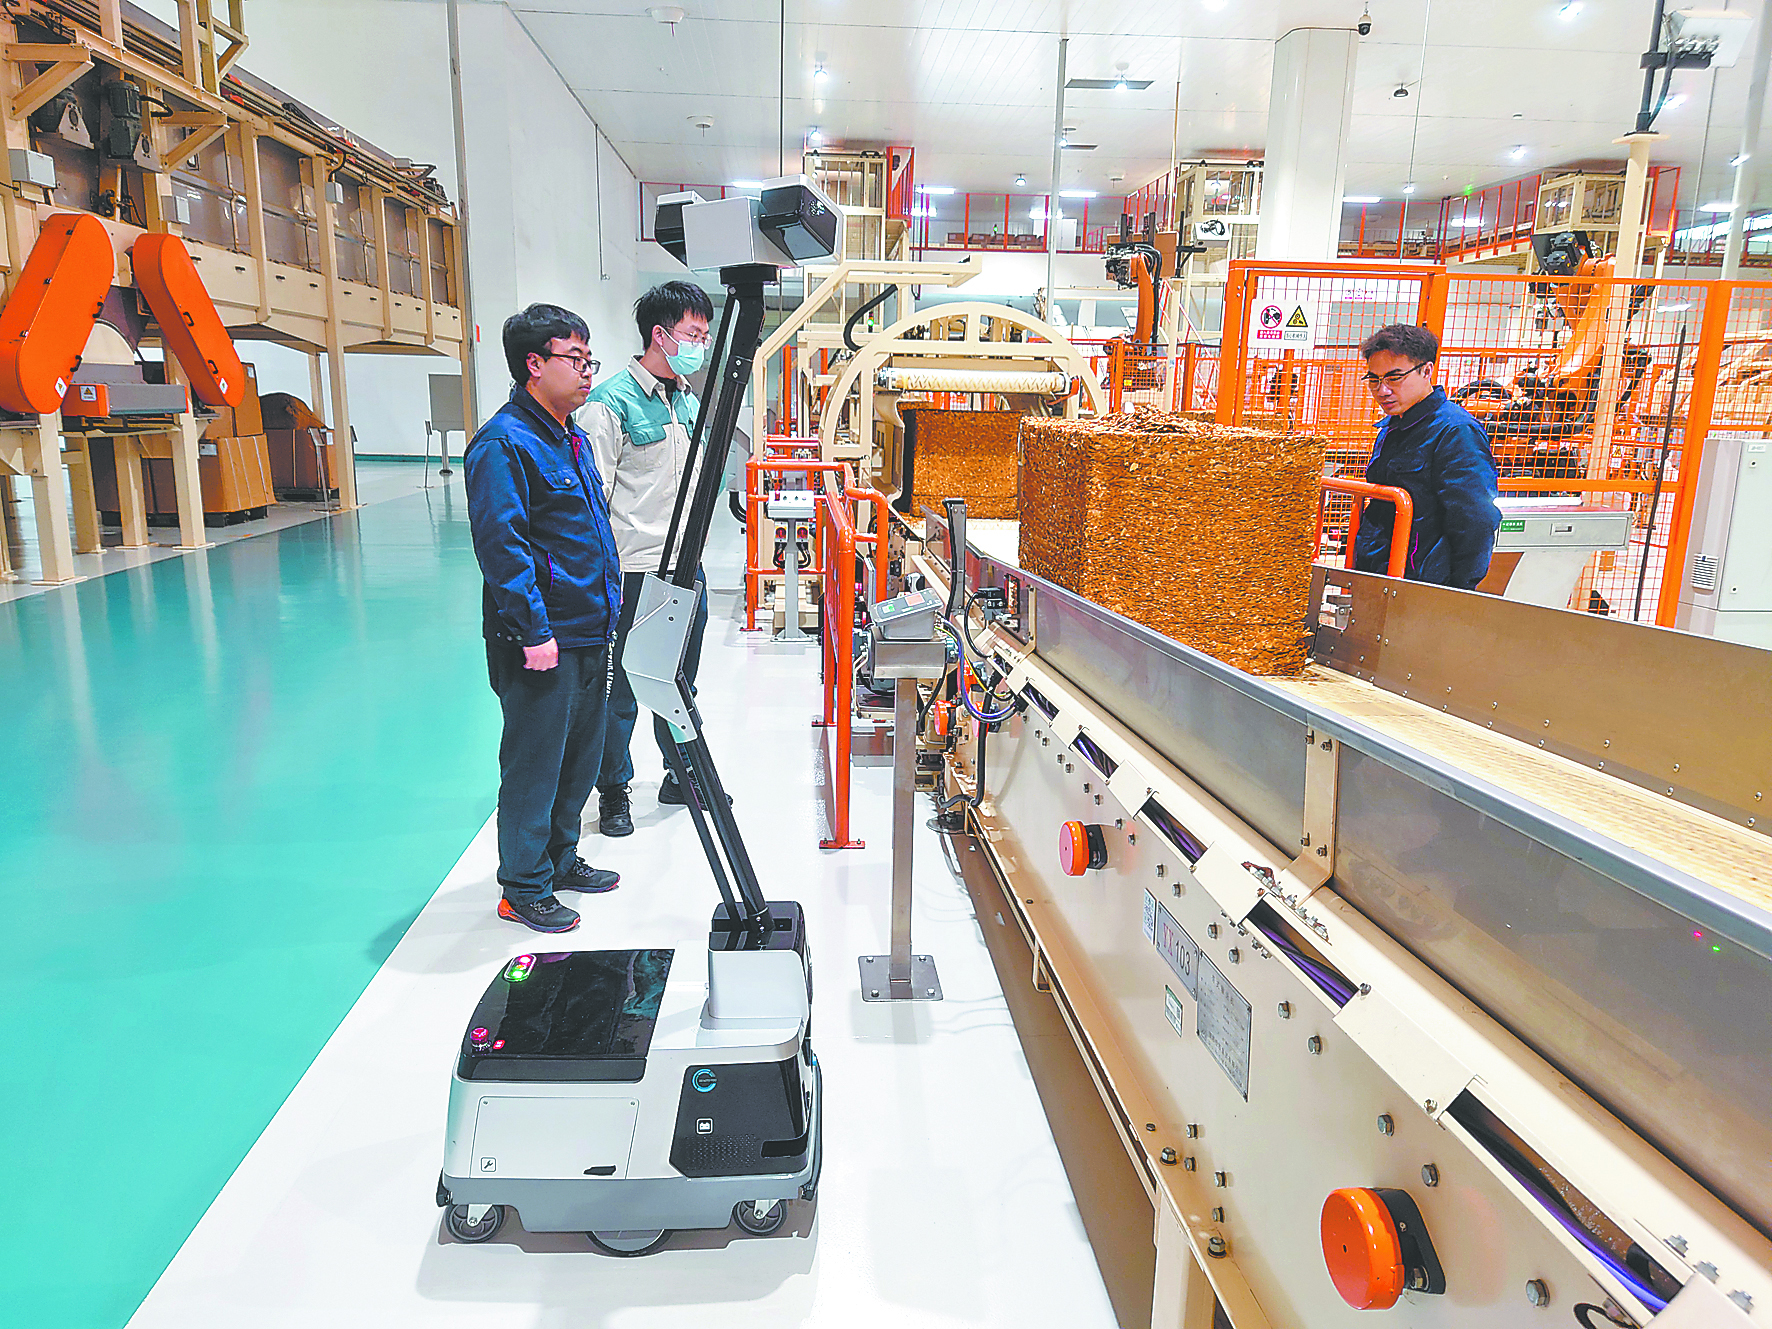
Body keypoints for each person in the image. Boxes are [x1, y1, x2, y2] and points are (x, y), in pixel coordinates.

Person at [464, 304, 624, 934]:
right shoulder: (503, 444)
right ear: (534, 364)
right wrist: (533, 631)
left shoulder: (570, 436)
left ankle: (559, 859)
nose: (587, 372)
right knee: (535, 763)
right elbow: (502, 548)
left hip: (587, 628)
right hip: (541, 637)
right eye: (575, 359)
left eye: (589, 360)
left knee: (579, 756)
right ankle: (523, 887)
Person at [583, 280, 719, 837]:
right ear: (659, 336)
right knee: (620, 689)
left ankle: (678, 774)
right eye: (693, 334)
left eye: (705, 335)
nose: (700, 344)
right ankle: (613, 790)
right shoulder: (608, 404)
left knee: (678, 680)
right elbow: (592, 499)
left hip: (686, 567)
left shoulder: (686, 400)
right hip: (632, 569)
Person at [1353, 323, 1501, 590]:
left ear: (1426, 370)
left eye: (1394, 378)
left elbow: (1475, 518)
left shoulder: (1455, 431)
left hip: (1424, 584)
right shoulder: (1393, 427)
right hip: (1382, 574)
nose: (1382, 390)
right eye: (1374, 380)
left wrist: (1457, 590)